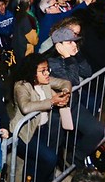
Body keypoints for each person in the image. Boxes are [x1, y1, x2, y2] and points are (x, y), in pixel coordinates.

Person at [45, 26, 105, 169]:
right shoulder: (51, 62)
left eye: (75, 42)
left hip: (72, 106)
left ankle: (76, 158)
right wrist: (68, 58)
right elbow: (72, 80)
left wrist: (76, 56)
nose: (74, 45)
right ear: (58, 46)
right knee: (54, 148)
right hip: (55, 113)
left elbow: (88, 71)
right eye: (69, 42)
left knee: (96, 130)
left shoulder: (72, 56)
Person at [11, 54, 71, 182]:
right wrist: (51, 101)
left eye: (47, 69)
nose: (47, 73)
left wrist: (65, 94)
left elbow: (65, 82)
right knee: (50, 159)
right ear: (33, 72)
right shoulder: (21, 86)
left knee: (34, 163)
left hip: (42, 129)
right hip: (24, 134)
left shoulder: (45, 82)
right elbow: (25, 107)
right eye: (42, 70)